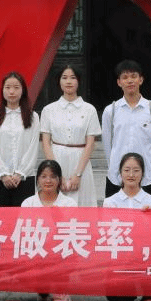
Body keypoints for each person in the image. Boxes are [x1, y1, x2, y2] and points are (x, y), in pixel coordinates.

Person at [103, 153, 151, 301]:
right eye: (127, 170)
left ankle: (149, 292)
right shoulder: (110, 202)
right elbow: (107, 234)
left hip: (145, 255)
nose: (131, 175)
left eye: (136, 170)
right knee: (119, 299)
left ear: (142, 173)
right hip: (121, 257)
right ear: (120, 173)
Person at [101, 60, 151, 200]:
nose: (130, 81)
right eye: (125, 77)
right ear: (119, 82)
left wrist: (149, 166)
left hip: (146, 178)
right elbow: (107, 145)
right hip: (116, 178)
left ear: (140, 80)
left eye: (133, 76)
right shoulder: (110, 111)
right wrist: (115, 167)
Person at [39, 66, 101, 208]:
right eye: (64, 77)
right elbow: (46, 143)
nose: (68, 81)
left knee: (82, 204)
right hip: (56, 157)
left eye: (73, 78)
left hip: (81, 161)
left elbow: (90, 143)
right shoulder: (49, 110)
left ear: (78, 81)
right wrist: (56, 174)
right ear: (59, 82)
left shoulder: (89, 109)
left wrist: (78, 174)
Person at [20, 159, 76, 301]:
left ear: (59, 180)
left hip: (59, 252)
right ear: (38, 179)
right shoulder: (28, 203)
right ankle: (42, 288)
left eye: (53, 176)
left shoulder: (69, 203)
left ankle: (61, 290)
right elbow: (23, 232)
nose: (48, 180)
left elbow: (72, 234)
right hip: (36, 250)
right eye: (44, 176)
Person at [0, 72, 41, 207]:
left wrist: (20, 173)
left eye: (16, 87)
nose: (12, 91)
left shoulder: (33, 117)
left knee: (22, 217)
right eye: (8, 87)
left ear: (23, 90)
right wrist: (3, 174)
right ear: (2, 90)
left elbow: (33, 148)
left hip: (25, 178)